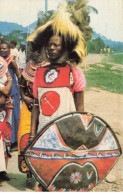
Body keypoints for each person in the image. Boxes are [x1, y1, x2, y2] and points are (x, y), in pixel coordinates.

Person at [0, 41, 20, 149]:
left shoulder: (11, 62)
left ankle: (13, 141)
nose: (3, 50)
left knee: (13, 115)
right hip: (3, 90)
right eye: (1, 48)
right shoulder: (1, 62)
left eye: (5, 49)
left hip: (12, 91)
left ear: (9, 50)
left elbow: (18, 75)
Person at [0, 56, 12, 181]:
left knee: (6, 139)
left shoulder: (2, 62)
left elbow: (7, 91)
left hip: (4, 110)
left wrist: (9, 80)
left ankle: (3, 171)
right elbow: (5, 90)